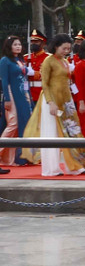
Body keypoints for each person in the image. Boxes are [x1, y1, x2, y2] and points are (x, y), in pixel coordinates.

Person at [22, 34, 85, 176]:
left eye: (68, 49)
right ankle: (51, 169)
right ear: (56, 46)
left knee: (72, 131)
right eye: (64, 48)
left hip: (66, 100)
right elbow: (45, 84)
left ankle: (75, 166)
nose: (66, 51)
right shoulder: (48, 61)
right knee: (51, 134)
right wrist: (50, 103)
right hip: (50, 100)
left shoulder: (64, 61)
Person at [0, 36, 33, 170]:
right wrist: (7, 99)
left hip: (22, 95)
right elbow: (4, 81)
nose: (18, 47)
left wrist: (28, 95)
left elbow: (24, 80)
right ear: (9, 46)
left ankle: (9, 158)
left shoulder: (20, 60)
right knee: (13, 124)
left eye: (19, 44)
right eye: (15, 45)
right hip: (12, 95)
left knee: (20, 125)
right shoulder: (5, 61)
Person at [25, 29, 48, 104]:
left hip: (42, 92)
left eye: (36, 42)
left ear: (43, 43)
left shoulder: (48, 58)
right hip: (28, 93)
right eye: (32, 41)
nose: (33, 43)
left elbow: (50, 75)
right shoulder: (25, 57)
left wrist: (34, 73)